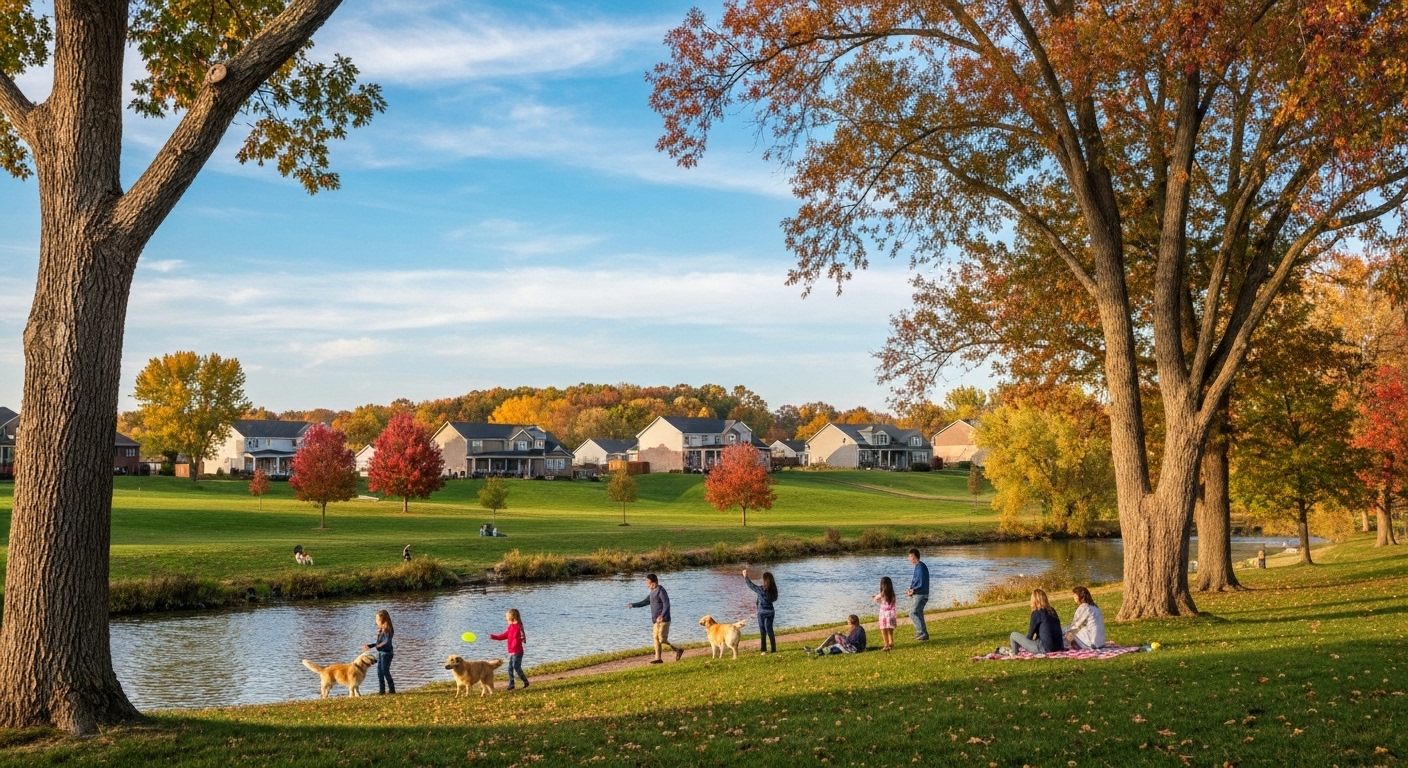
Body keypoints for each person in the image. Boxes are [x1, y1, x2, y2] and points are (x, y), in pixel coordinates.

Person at [627, 573, 683, 663]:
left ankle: (678, 649)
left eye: (648, 582)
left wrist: (662, 615)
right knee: (655, 639)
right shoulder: (652, 593)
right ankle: (658, 658)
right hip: (656, 621)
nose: (647, 584)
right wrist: (633, 605)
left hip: (664, 620)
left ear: (653, 583)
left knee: (662, 639)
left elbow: (666, 604)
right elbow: (645, 602)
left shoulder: (661, 591)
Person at [1006, 589, 1063, 656]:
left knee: (1013, 635)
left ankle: (1014, 653)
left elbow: (1030, 635)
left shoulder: (1037, 613)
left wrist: (1023, 643)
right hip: (1059, 646)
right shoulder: (1052, 611)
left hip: (1045, 648)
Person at [491, 608, 529, 690]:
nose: (506, 618)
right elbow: (504, 635)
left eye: (507, 616)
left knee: (516, 666)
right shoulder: (511, 627)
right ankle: (511, 684)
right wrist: (495, 637)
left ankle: (525, 681)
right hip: (512, 652)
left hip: (518, 652)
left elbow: (520, 638)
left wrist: (515, 644)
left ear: (512, 617)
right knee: (510, 668)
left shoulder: (518, 627)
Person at [742, 568, 778, 654]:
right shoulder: (773, 590)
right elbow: (774, 599)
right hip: (770, 612)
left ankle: (763, 650)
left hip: (761, 612)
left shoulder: (761, 589)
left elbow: (751, 585)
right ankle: (773, 649)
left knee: (762, 631)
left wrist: (745, 576)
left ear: (764, 580)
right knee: (770, 630)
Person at [362, 609, 395, 694]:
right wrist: (370, 646)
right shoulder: (381, 631)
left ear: (382, 620)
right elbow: (378, 643)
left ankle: (392, 689)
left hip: (387, 654)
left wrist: (379, 646)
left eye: (377, 620)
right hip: (381, 653)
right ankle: (382, 690)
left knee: (385, 671)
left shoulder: (388, 629)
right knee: (379, 672)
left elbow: (386, 641)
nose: (376, 622)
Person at [906, 548, 930, 641]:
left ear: (913, 556)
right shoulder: (919, 566)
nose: (909, 559)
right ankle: (923, 633)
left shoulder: (920, 567)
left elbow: (921, 582)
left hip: (921, 593)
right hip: (919, 592)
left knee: (913, 612)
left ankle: (921, 632)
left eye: (910, 557)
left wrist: (914, 590)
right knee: (918, 612)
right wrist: (911, 589)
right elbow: (916, 581)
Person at [871, 576, 898, 651]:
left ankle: (886, 644)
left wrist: (874, 598)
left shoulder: (882, 593)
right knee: (890, 628)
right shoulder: (892, 593)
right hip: (891, 613)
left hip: (884, 614)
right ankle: (891, 641)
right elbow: (889, 602)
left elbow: (878, 598)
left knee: (883, 629)